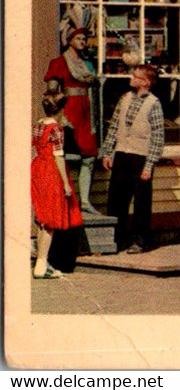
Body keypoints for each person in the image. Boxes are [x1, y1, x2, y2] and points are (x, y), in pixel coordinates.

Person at [102, 64, 164, 254]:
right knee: (116, 198)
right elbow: (114, 127)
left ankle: (141, 240)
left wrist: (149, 165)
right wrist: (107, 152)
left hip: (141, 158)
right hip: (122, 154)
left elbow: (158, 137)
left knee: (141, 202)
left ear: (145, 82)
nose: (131, 77)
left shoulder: (154, 104)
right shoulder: (125, 98)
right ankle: (116, 240)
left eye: (135, 75)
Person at [44, 27, 99, 213]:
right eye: (79, 38)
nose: (83, 41)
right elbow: (51, 93)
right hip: (69, 111)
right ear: (69, 40)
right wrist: (59, 116)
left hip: (86, 112)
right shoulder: (59, 62)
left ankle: (84, 201)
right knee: (65, 155)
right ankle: (62, 199)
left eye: (84, 38)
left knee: (89, 156)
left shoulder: (87, 64)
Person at [31, 84, 84, 278]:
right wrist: (67, 184)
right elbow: (58, 157)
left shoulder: (38, 124)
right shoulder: (56, 129)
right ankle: (42, 264)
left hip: (37, 169)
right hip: (51, 172)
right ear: (61, 109)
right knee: (50, 219)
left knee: (42, 219)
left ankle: (41, 262)